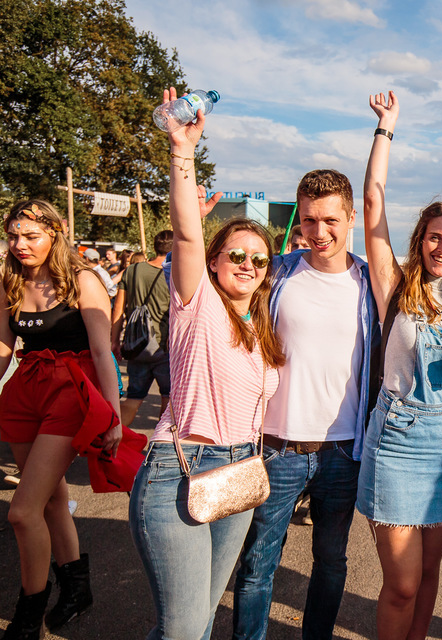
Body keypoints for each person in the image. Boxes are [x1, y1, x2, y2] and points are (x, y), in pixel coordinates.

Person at [128, 87, 285, 640]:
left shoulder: (262, 327)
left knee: (194, 625)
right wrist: (182, 152)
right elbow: (188, 231)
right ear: (214, 262)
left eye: (258, 259)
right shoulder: (196, 303)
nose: (247, 264)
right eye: (235, 255)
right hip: (182, 468)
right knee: (186, 629)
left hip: (241, 471)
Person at [232, 168, 380, 640]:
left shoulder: (370, 283)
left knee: (332, 560)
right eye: (310, 220)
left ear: (351, 216)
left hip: (342, 449)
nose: (319, 232)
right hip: (276, 445)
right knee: (258, 562)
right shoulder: (276, 273)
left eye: (331, 220)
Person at [356, 90, 442, 640]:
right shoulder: (396, 285)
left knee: (432, 573)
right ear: (421, 239)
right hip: (400, 436)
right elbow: (372, 208)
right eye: (435, 236)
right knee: (402, 583)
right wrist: (386, 129)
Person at [0, 200, 122, 638]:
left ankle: (28, 613)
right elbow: (1, 349)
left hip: (69, 391)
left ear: (55, 234)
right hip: (23, 393)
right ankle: (76, 588)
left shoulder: (82, 280)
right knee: (50, 501)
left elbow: (101, 351)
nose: (20, 245)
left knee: (21, 511)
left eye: (31, 236)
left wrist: (113, 415)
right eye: (14, 235)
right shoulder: (9, 281)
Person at [111, 231, 174, 426]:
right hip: (166, 346)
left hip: (137, 344)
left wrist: (114, 341)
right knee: (168, 399)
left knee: (133, 398)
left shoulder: (132, 270)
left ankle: (114, 443)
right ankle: (161, 448)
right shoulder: (174, 273)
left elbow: (119, 309)